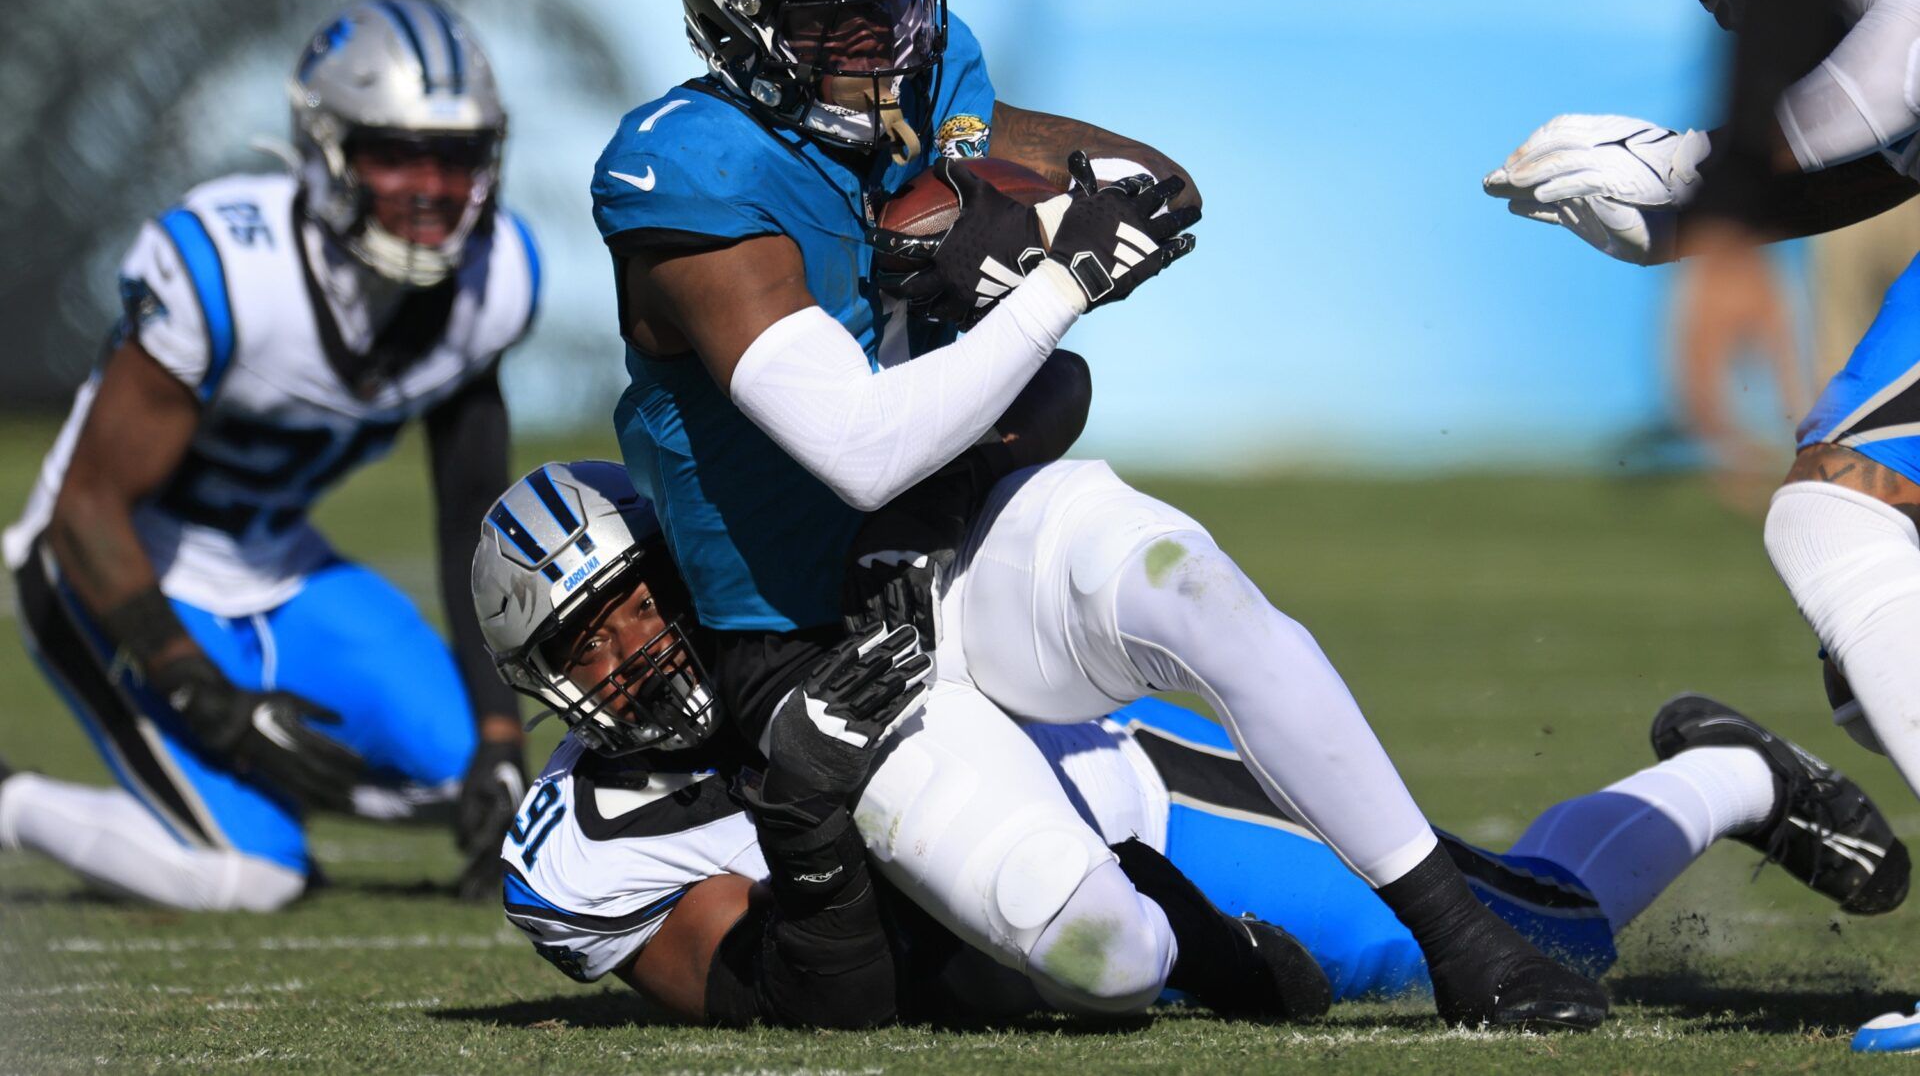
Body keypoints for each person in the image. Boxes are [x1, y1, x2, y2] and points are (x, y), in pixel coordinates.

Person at [595, 0, 1606, 1028]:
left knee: (1188, 580)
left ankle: (1466, 939)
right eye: (843, 28)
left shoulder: (927, 87)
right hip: (818, 647)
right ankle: (1183, 927)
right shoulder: (693, 173)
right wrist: (1052, 284)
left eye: (900, 7)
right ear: (742, 23)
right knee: (1104, 953)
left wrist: (981, 210)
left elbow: (1149, 181)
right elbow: (859, 443)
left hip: (954, 545)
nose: (886, 52)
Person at [474, 460, 1909, 1026]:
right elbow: (792, 998)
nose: (631, 652)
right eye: (580, 644)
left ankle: (1734, 771)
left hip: (1134, 805)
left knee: (1547, 928)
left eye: (633, 604)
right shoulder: (576, 848)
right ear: (541, 683)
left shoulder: (785, 607)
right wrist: (810, 819)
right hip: (1031, 904)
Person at [0, 0, 540, 911]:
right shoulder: (227, 266)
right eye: (396, 151)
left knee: (513, 800)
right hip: (107, 573)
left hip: (279, 574)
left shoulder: (497, 280)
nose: (432, 188)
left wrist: (500, 735)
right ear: (328, 144)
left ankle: (247, 775)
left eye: (456, 156)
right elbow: (86, 510)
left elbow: (473, 521)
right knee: (249, 875)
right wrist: (205, 696)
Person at [1482, 0, 1920, 798]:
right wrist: (1705, 221)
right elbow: (1902, 152)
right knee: (1876, 656)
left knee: (1839, 524)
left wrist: (1702, 169)